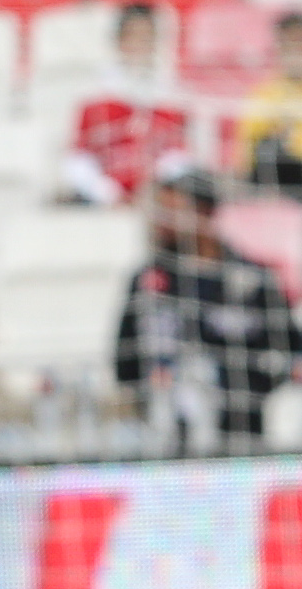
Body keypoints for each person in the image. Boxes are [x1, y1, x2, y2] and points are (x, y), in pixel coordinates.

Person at [115, 154, 302, 450]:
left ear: (202, 210)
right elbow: (124, 364)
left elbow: (291, 351)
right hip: (169, 445)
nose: (161, 218)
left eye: (172, 206)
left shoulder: (253, 278)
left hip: (246, 442)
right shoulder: (149, 281)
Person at [63, 2, 188, 206]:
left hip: (157, 201)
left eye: (146, 37)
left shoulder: (171, 98)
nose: (139, 44)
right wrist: (105, 191)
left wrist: (156, 188)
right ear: (119, 40)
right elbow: (78, 160)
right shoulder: (94, 98)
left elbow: (179, 156)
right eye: (133, 36)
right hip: (103, 202)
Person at [237, 10, 302, 198]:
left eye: (299, 44)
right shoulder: (264, 95)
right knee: (270, 149)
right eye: (289, 45)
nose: (296, 53)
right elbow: (249, 153)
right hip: (284, 179)